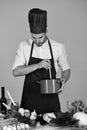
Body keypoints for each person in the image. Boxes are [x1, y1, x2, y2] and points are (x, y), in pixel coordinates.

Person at [12, 8, 70, 114]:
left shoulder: (58, 47)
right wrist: (37, 65)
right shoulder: (24, 46)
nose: (37, 41)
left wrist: (63, 80)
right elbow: (15, 72)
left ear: (46, 31)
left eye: (40, 37)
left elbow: (66, 69)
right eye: (34, 37)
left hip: (51, 103)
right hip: (29, 104)